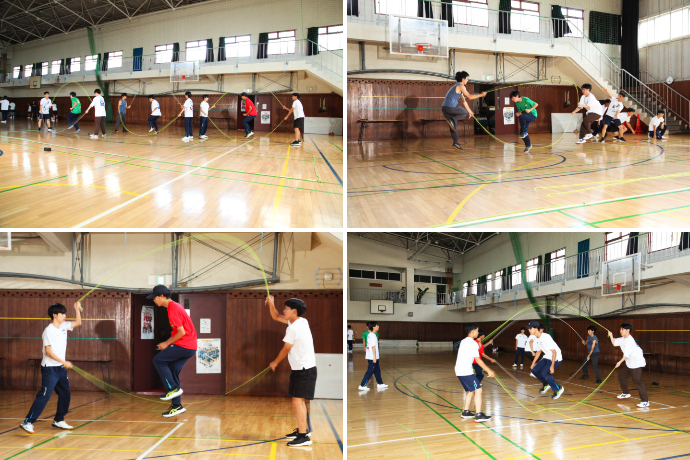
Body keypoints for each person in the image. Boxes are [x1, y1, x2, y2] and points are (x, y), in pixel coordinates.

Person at [20, 302, 82, 433]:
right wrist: (63, 361)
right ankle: (28, 422)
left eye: (65, 313)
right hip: (50, 369)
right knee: (44, 395)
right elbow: (48, 352)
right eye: (62, 313)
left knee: (65, 393)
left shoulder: (64, 326)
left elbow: (78, 323)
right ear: (54, 315)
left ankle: (59, 420)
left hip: (60, 368)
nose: (65, 316)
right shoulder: (48, 331)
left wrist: (77, 309)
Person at [267, 295, 318, 448]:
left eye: (286, 309)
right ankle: (303, 430)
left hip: (305, 370)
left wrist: (275, 362)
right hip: (300, 369)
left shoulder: (295, 328)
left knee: (297, 402)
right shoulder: (301, 321)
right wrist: (271, 303)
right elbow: (276, 316)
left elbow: (286, 348)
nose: (284, 311)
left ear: (294, 311)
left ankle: (303, 437)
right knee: (298, 402)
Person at [148, 285, 197, 417]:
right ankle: (177, 406)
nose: (153, 300)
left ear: (162, 296)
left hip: (185, 345)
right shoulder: (174, 307)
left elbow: (181, 332)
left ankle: (172, 389)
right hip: (190, 346)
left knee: (158, 360)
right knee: (173, 370)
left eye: (154, 298)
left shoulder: (173, 309)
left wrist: (166, 343)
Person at [456, 323, 494, 422]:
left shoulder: (464, 341)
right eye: (477, 331)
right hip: (466, 371)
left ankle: (466, 412)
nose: (478, 332)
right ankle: (478, 415)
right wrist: (489, 370)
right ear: (473, 331)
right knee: (478, 390)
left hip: (459, 370)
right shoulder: (473, 343)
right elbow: (478, 360)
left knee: (471, 390)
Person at [442, 71, 486, 151]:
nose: (467, 80)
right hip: (451, 107)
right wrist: (481, 95)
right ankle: (453, 119)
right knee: (463, 112)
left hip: (445, 108)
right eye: (467, 78)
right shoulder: (461, 86)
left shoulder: (457, 87)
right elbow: (469, 97)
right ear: (463, 79)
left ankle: (456, 143)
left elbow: (464, 101)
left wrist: (470, 111)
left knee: (453, 128)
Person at [608, 322, 649, 408]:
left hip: (637, 363)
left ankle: (645, 401)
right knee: (621, 376)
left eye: (622, 329)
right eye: (620, 329)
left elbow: (626, 354)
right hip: (630, 362)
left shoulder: (630, 340)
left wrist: (619, 362)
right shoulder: (623, 339)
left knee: (637, 381)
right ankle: (626, 393)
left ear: (628, 330)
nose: (621, 331)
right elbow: (615, 343)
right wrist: (611, 336)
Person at [527, 320, 565, 399]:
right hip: (547, 357)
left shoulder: (546, 337)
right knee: (535, 370)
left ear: (536, 328)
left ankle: (558, 389)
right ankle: (546, 384)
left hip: (556, 358)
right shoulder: (536, 339)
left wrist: (552, 366)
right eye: (528, 328)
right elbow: (538, 352)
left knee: (545, 373)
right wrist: (533, 363)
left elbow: (554, 352)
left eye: (530, 328)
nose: (529, 330)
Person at [358, 321, 387, 391]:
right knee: (370, 371)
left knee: (377, 370)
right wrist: (374, 357)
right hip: (372, 357)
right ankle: (362, 385)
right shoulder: (373, 336)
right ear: (373, 327)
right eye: (377, 325)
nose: (378, 327)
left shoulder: (371, 335)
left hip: (374, 356)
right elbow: (373, 347)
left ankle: (380, 383)